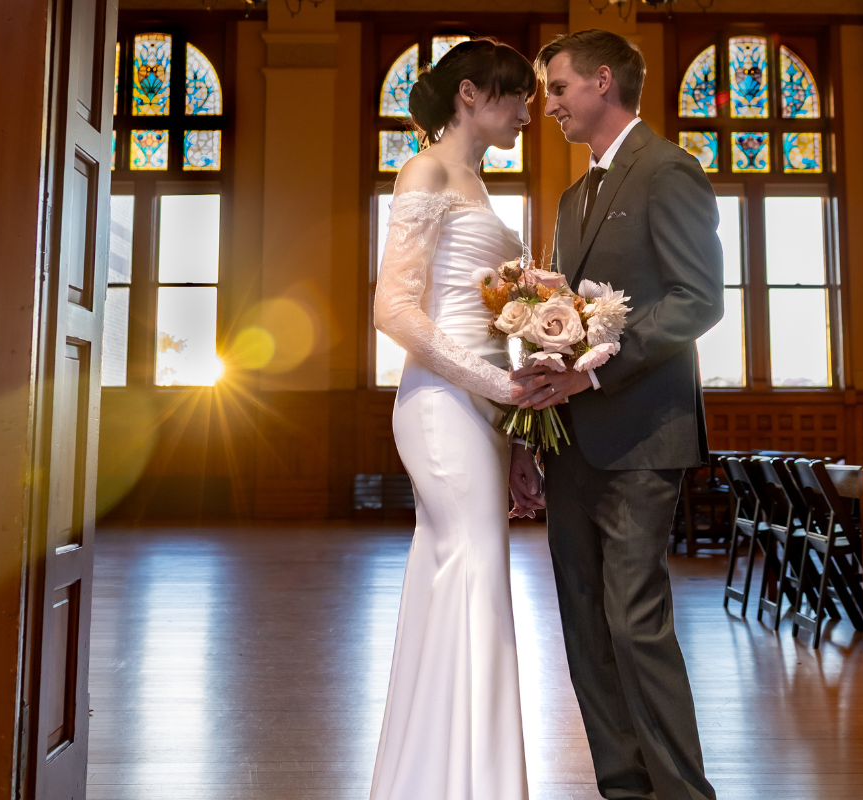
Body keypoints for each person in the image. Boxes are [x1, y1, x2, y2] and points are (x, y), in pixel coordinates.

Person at [512, 30, 725, 800]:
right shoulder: (573, 198)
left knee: (635, 625)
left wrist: (593, 378)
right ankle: (624, 789)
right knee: (585, 628)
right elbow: (567, 318)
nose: (550, 107)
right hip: (572, 445)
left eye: (559, 89)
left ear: (604, 82)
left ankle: (683, 793)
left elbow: (698, 301)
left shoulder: (669, 169)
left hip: (641, 437)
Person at [368, 38, 544, 800]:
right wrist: (497, 387)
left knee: (467, 573)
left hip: (483, 406)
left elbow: (492, 313)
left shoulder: (476, 182)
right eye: (516, 95)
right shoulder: (427, 170)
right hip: (441, 403)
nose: (529, 112)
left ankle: (445, 776)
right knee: (472, 567)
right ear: (469, 93)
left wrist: (518, 441)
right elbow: (394, 309)